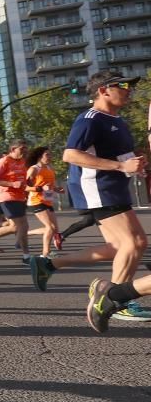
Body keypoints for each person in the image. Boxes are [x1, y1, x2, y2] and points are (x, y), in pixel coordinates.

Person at [29, 71, 151, 323]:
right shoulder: (90, 118)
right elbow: (70, 155)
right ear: (103, 90)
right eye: (124, 85)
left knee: (118, 247)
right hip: (99, 187)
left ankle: (50, 264)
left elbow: (118, 156)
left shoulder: (116, 119)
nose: (130, 90)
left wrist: (135, 162)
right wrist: (120, 167)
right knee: (136, 242)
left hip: (112, 187)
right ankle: (117, 300)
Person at [25, 146, 65, 259]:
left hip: (47, 201)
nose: (50, 157)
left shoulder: (49, 168)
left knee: (54, 229)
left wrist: (57, 189)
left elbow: (49, 185)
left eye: (50, 154)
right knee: (50, 227)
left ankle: (25, 233)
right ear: (39, 157)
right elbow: (25, 187)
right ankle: (45, 253)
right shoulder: (34, 169)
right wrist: (41, 189)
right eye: (47, 155)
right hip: (36, 201)